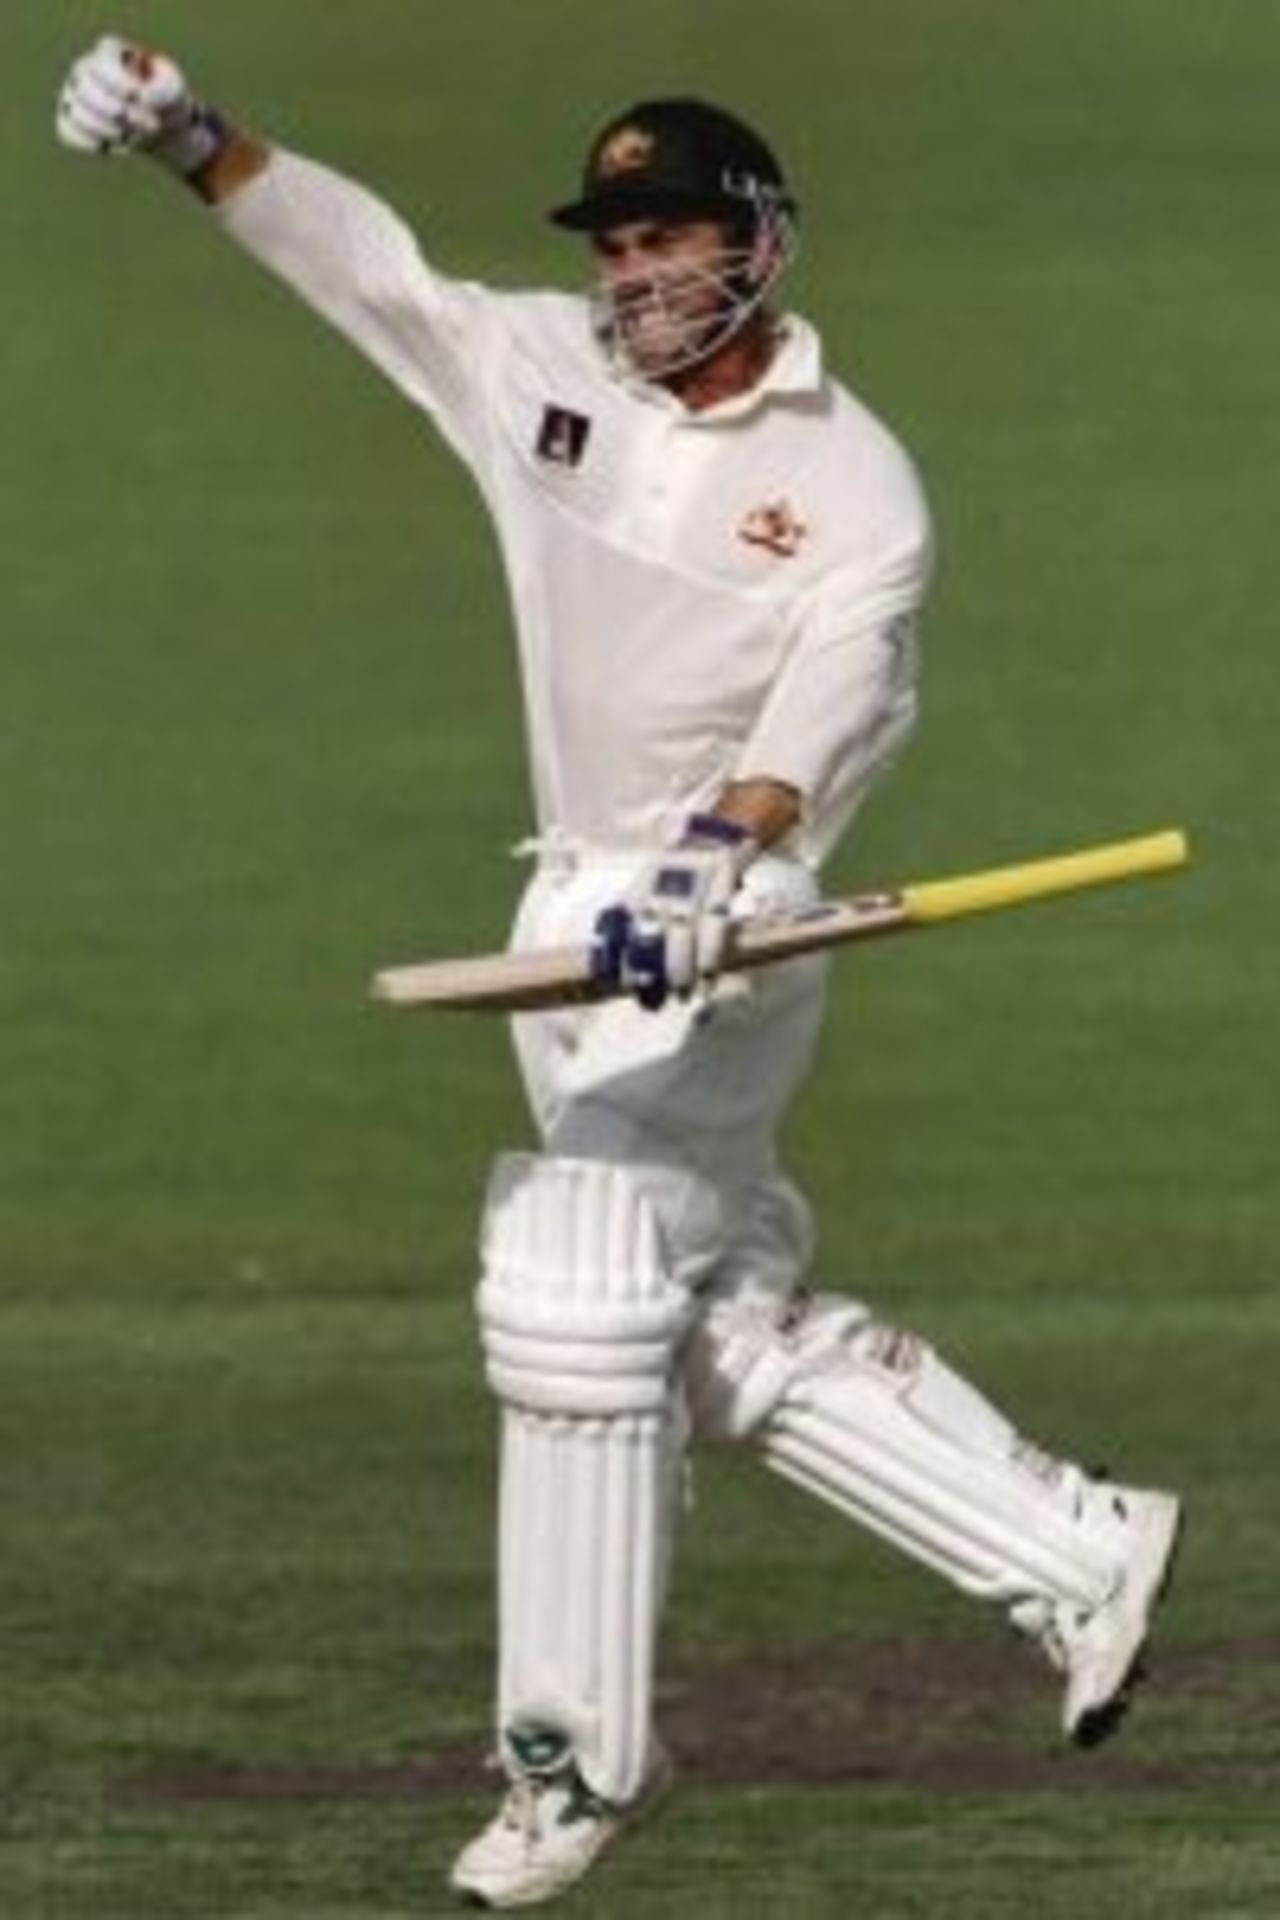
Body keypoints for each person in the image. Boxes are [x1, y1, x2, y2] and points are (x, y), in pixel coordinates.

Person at [57, 37, 1182, 1912]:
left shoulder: (853, 485)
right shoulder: (544, 376)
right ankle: (1071, 1541)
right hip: (570, 908)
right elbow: (370, 265)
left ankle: (571, 1769)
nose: (632, 275)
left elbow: (835, 707)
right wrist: (194, 139)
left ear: (760, 247)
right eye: (615, 244)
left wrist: (721, 854)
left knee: (571, 1286)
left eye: (668, 240)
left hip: (724, 931)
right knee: (707, 1318)